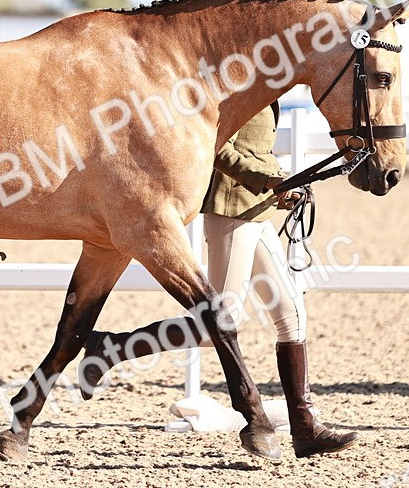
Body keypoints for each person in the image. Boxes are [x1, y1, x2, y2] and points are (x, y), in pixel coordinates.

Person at [78, 103, 357, 458]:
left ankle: (304, 428)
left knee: (292, 315)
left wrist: (283, 185)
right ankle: (112, 347)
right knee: (219, 326)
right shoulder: (239, 91)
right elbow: (220, 147)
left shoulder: (269, 92)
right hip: (231, 213)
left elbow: (256, 151)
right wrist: (268, 181)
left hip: (257, 213)